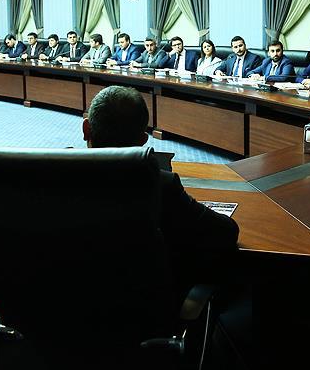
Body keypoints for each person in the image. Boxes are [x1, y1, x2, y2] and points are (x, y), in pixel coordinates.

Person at [82, 86, 239, 295]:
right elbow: (226, 232)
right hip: (142, 307)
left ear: (86, 129)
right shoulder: (160, 184)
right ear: (143, 141)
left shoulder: (52, 175)